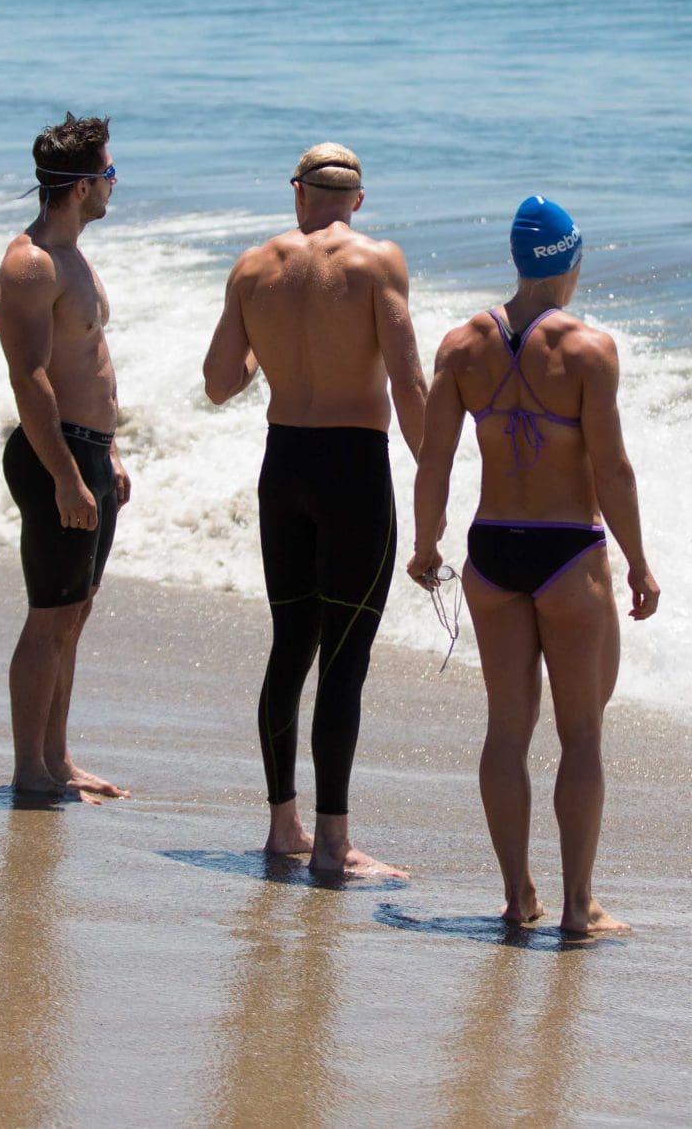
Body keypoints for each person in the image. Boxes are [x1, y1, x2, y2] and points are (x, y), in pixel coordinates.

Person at [409, 196, 660, 935]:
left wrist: (426, 545)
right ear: (571, 262)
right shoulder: (588, 350)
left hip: (493, 549)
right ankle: (578, 905)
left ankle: (518, 895)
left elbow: (435, 463)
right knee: (581, 736)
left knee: (506, 731)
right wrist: (641, 561)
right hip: (567, 552)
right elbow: (612, 470)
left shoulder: (460, 346)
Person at [203, 142, 427, 877]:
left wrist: (280, 344)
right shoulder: (376, 262)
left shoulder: (253, 268)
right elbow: (409, 384)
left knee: (290, 643)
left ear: (295, 192)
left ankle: (282, 828)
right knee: (346, 656)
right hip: (353, 471)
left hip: (284, 468)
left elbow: (217, 381)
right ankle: (333, 844)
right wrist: (438, 493)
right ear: (357, 200)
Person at [0, 113, 132, 801]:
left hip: (90, 454)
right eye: (107, 172)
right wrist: (67, 476)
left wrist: (111, 456)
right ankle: (29, 771)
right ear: (80, 185)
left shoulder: (74, 254)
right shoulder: (31, 264)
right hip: (56, 457)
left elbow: (90, 363)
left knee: (74, 614)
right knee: (49, 616)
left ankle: (58, 758)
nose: (113, 183)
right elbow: (31, 378)